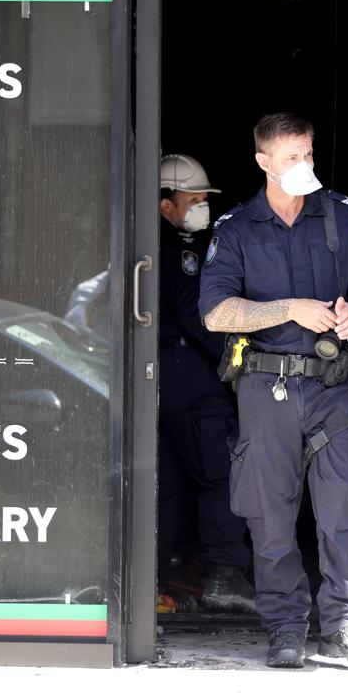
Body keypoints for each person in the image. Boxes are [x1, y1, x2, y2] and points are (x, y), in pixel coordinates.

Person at [198, 113, 348, 667]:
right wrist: (289, 309)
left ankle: (346, 625)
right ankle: (285, 627)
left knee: (343, 507)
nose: (303, 165)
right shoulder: (235, 227)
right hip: (265, 384)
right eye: (290, 158)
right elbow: (214, 313)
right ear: (263, 163)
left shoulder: (338, 212)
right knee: (270, 512)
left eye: (307, 154)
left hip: (333, 385)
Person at [157, 153, 254, 612]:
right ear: (164, 205)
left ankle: (154, 579)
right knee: (223, 474)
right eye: (193, 199)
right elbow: (201, 317)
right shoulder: (185, 254)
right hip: (191, 378)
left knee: (168, 485)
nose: (201, 206)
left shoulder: (136, 246)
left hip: (155, 378)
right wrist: (235, 362)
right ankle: (225, 576)